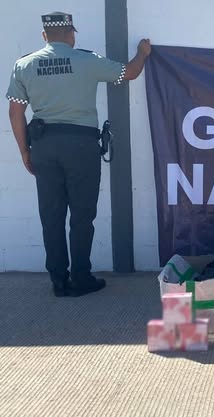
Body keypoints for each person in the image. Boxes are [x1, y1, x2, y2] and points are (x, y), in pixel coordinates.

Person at [6, 12, 152, 297]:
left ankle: (58, 281)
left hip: (44, 146)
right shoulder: (87, 60)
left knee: (51, 216)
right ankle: (81, 277)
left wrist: (25, 151)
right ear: (71, 35)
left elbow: (15, 112)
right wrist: (142, 53)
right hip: (81, 146)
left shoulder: (24, 65)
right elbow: (129, 72)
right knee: (82, 216)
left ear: (44, 36)